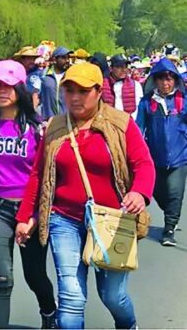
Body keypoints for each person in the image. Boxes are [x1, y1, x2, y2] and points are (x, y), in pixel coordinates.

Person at [15, 62, 155, 329]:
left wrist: (139, 192)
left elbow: (143, 164)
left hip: (112, 222)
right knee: (71, 299)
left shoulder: (120, 124)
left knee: (113, 296)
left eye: (82, 91)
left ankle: (128, 325)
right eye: (69, 90)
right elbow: (38, 175)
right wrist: (25, 217)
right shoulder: (55, 127)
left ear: (98, 91)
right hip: (64, 220)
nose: (75, 97)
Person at [0, 60, 56, 328]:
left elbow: (43, 176)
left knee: (34, 274)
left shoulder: (37, 127)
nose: (2, 91)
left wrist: (33, 215)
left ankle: (49, 311)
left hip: (29, 210)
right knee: (1, 278)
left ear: (20, 88)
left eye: (8, 86)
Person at [136, 57, 187, 246]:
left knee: (175, 192)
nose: (166, 83)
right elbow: (138, 128)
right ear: (155, 80)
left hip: (180, 157)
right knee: (156, 192)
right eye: (162, 79)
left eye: (170, 79)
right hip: (154, 158)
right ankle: (171, 211)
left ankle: (169, 229)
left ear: (175, 80)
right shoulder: (147, 103)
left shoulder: (183, 101)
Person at [102, 54, 143, 120]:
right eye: (119, 67)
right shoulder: (102, 85)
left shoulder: (136, 85)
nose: (124, 70)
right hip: (108, 123)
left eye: (125, 66)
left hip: (129, 124)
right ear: (111, 68)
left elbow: (139, 109)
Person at [39, 47, 71, 119]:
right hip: (48, 120)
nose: (67, 60)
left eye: (68, 58)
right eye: (63, 58)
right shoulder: (43, 75)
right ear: (54, 59)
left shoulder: (70, 76)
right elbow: (37, 96)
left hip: (67, 120)